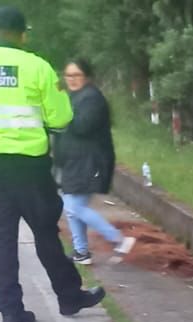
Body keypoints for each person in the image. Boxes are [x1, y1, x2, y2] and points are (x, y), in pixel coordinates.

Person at [0, 7, 104, 322]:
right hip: (30, 167)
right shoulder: (38, 67)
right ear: (23, 35)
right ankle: (69, 296)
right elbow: (61, 119)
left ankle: (10, 310)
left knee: (1, 238)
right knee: (46, 233)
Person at [55, 59, 134, 265]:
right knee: (72, 206)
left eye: (76, 75)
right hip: (75, 161)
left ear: (87, 77)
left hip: (90, 161)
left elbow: (82, 126)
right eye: (68, 75)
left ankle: (118, 239)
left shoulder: (92, 99)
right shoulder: (74, 97)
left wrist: (60, 115)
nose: (71, 79)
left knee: (74, 207)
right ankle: (81, 252)